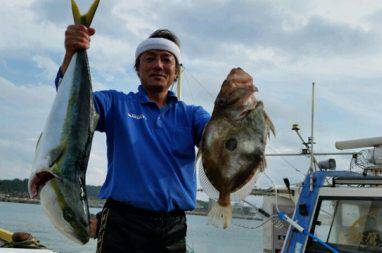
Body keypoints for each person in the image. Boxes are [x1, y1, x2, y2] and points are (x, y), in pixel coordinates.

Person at [56, 25, 253, 252]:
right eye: (149, 58)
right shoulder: (115, 104)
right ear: (138, 68)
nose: (158, 65)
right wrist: (72, 54)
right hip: (122, 223)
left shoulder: (193, 115)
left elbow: (221, 146)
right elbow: (70, 103)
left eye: (166, 59)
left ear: (176, 71)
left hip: (173, 228)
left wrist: (236, 107)